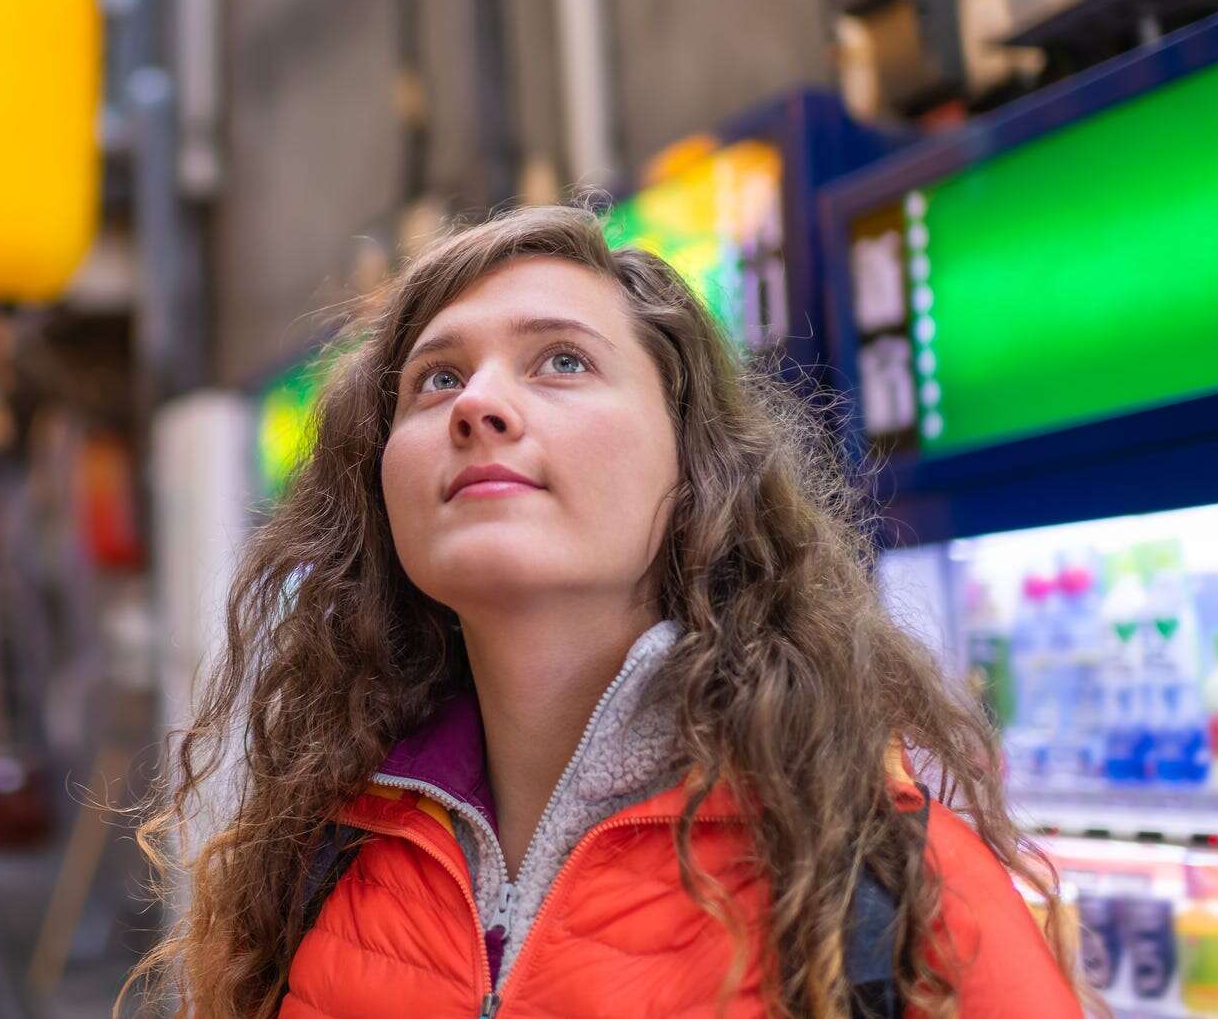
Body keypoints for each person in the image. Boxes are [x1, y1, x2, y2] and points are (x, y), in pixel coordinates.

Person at [132, 205, 1082, 1018]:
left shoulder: (887, 883)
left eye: (561, 362)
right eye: (436, 379)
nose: (478, 406)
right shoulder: (315, 864)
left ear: (694, 467)